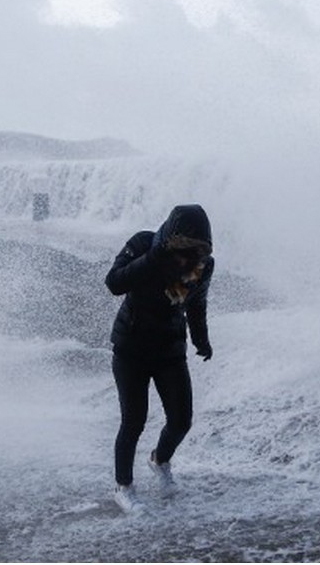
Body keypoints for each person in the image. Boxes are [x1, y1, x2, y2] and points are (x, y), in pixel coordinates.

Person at [104, 204, 214, 513]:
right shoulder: (142, 244)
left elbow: (196, 304)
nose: (190, 252)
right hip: (131, 348)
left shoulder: (203, 265)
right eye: (184, 243)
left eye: (197, 245)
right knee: (133, 421)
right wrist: (153, 258)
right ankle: (123, 487)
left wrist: (201, 340)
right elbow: (114, 283)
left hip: (170, 350)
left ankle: (159, 461)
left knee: (181, 420)